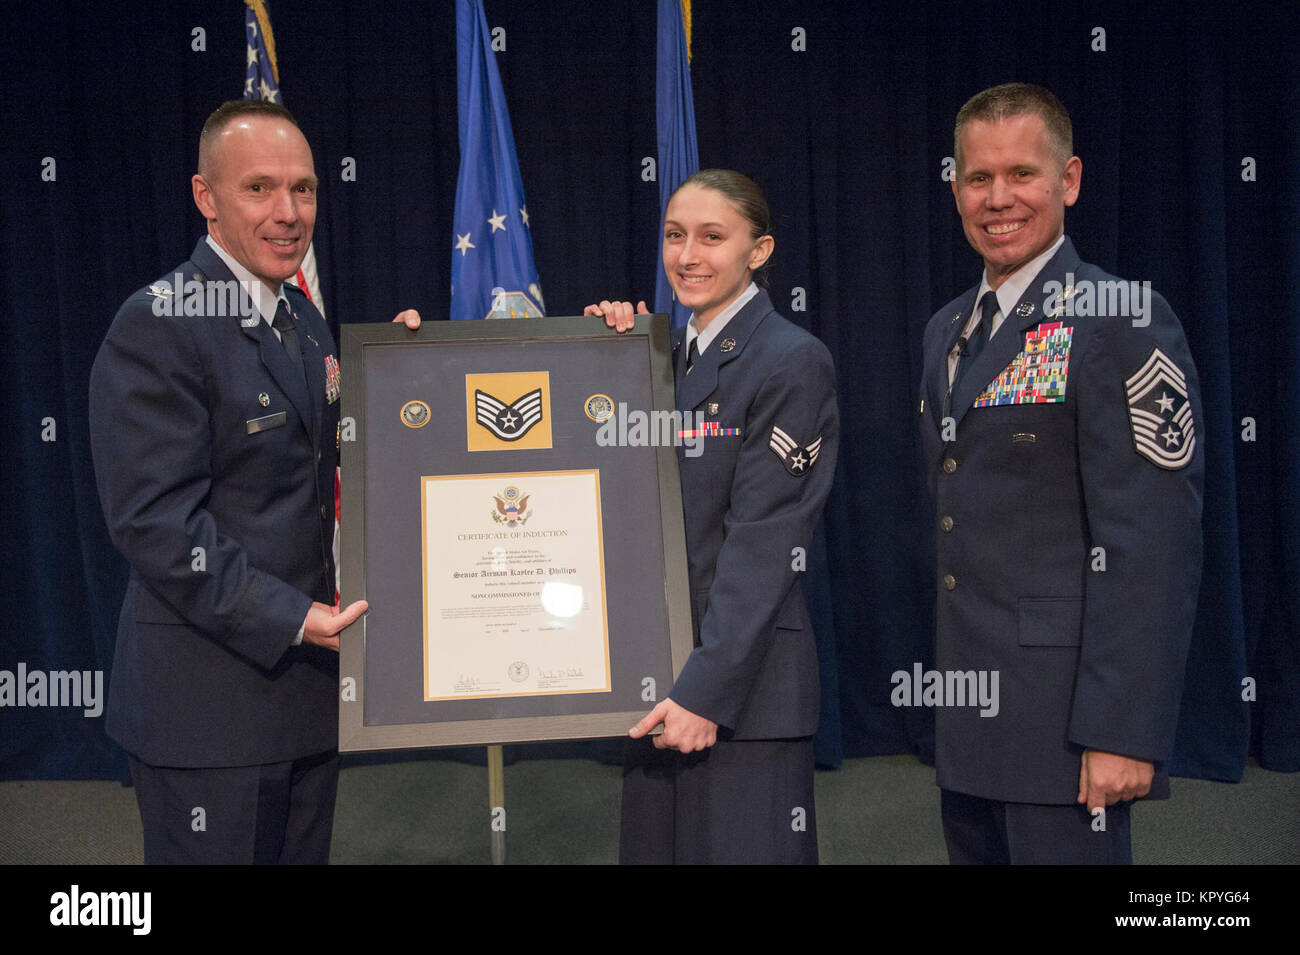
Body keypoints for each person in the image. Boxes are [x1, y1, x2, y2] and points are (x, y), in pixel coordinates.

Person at [89, 99, 419, 864]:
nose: (288, 212)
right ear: (206, 197)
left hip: (302, 698)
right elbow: (153, 523)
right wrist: (293, 614)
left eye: (303, 189)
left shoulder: (301, 319)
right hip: (209, 709)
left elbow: (335, 460)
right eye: (260, 188)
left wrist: (415, 373)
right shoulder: (160, 322)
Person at [919, 83, 1204, 863]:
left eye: (1022, 174)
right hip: (970, 721)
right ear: (955, 187)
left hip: (1069, 731)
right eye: (979, 178)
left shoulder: (1121, 315)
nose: (998, 198)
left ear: (1069, 180)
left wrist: (1122, 730)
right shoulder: (947, 328)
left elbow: (1152, 544)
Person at [587, 169, 839, 864]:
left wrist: (703, 691)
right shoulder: (659, 356)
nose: (688, 256)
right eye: (674, 236)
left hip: (741, 695)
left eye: (712, 237)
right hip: (656, 678)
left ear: (759, 252)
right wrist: (599, 359)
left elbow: (763, 547)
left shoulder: (790, 360)